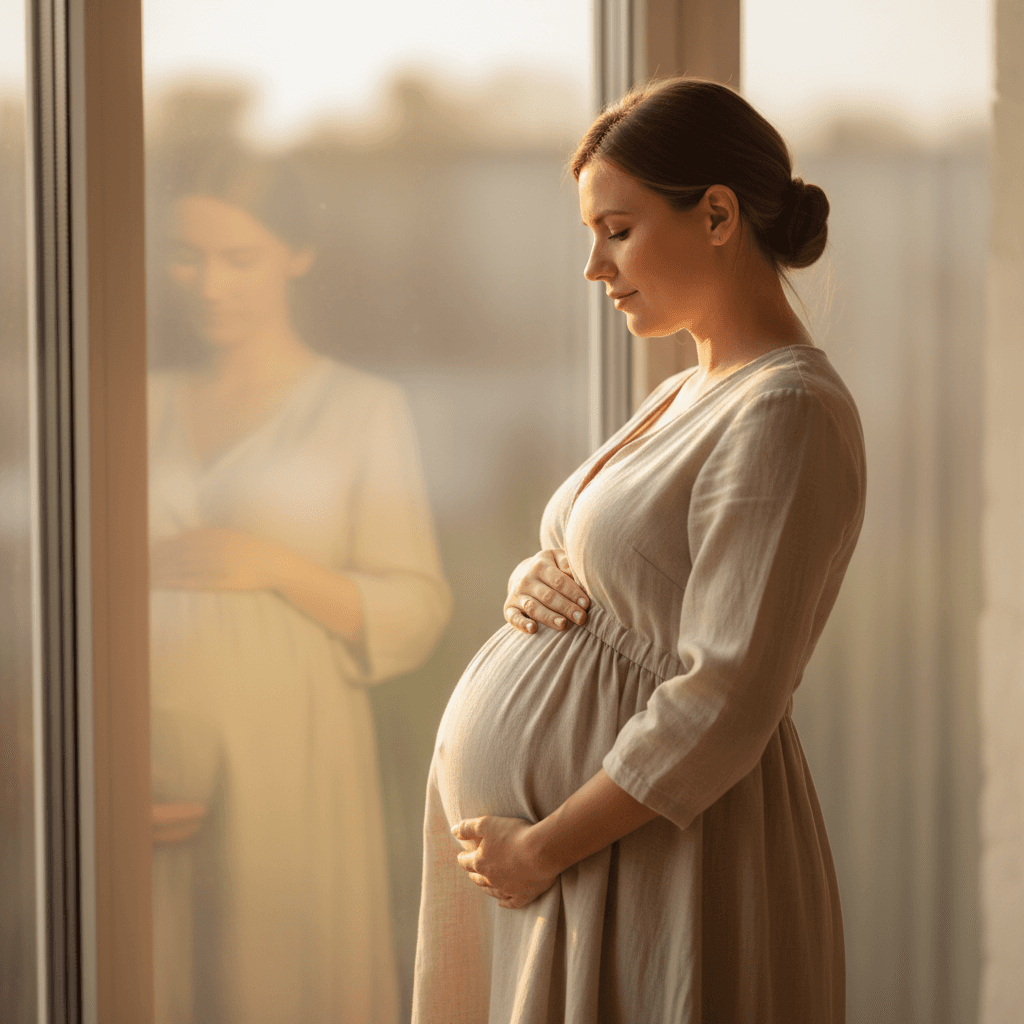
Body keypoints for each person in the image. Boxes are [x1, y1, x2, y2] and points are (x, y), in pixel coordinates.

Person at [412, 78, 865, 1023]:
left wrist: (543, 848)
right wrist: (537, 578)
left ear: (715, 215)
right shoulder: (689, 389)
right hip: (588, 860)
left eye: (617, 230)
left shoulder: (786, 410)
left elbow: (726, 694)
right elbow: (627, 570)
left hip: (653, 856)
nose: (595, 267)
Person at [146, 147, 452, 1024]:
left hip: (293, 773)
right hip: (140, 779)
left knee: (274, 988)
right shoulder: (127, 405)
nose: (210, 284)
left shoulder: (362, 409)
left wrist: (275, 567)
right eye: (186, 255)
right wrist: (81, 770)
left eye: (238, 257)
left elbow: (420, 605)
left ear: (296, 255)